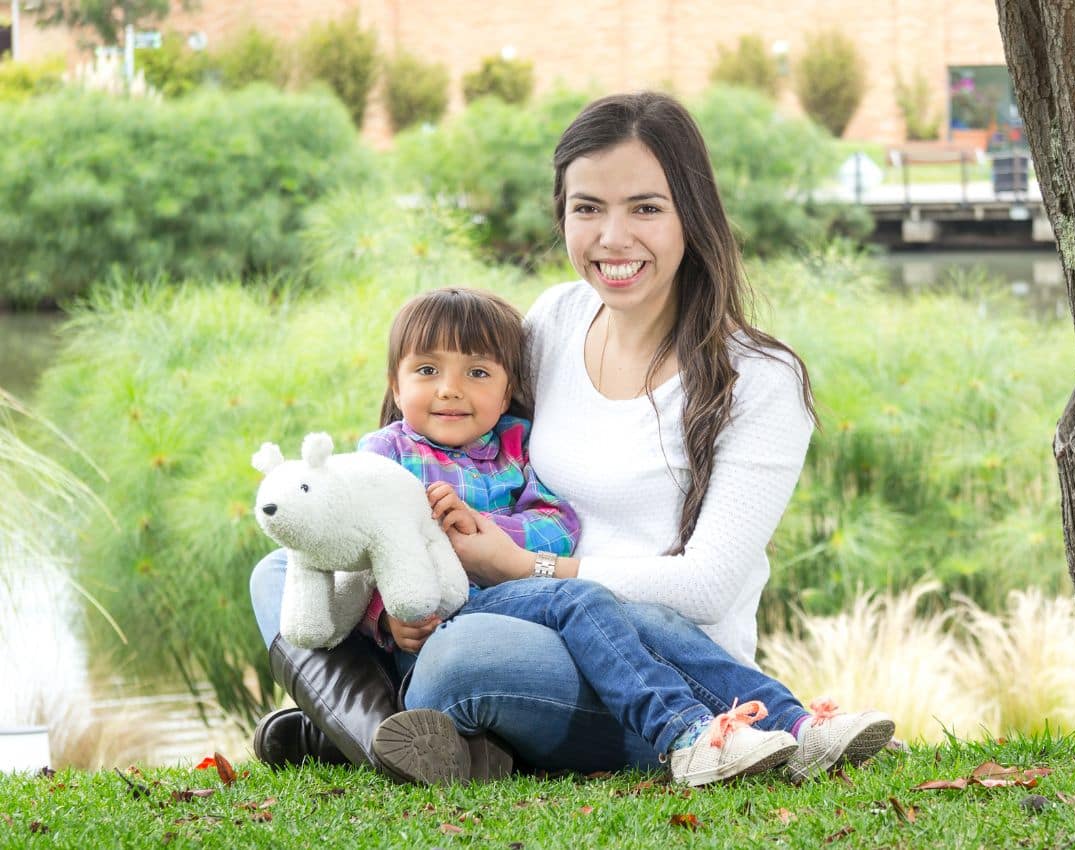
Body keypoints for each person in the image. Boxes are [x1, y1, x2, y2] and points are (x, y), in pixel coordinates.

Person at [248, 91, 892, 784]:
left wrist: (524, 567)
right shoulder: (556, 319)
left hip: (645, 667)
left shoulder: (760, 378)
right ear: (562, 214)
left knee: (464, 658)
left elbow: (705, 587)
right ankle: (391, 740)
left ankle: (373, 734)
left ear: (693, 213)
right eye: (588, 208)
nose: (613, 238)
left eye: (645, 207)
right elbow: (450, 437)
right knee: (281, 572)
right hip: (495, 608)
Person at [353, 285, 816, 786]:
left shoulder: (515, 444)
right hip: (434, 622)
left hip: (514, 604)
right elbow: (360, 551)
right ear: (395, 387)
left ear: (507, 391)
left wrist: (492, 540)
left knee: (622, 611)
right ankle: (685, 735)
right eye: (427, 371)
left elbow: (558, 524)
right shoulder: (383, 457)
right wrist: (385, 618)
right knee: (281, 571)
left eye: (478, 373)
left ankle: (795, 722)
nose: (449, 389)